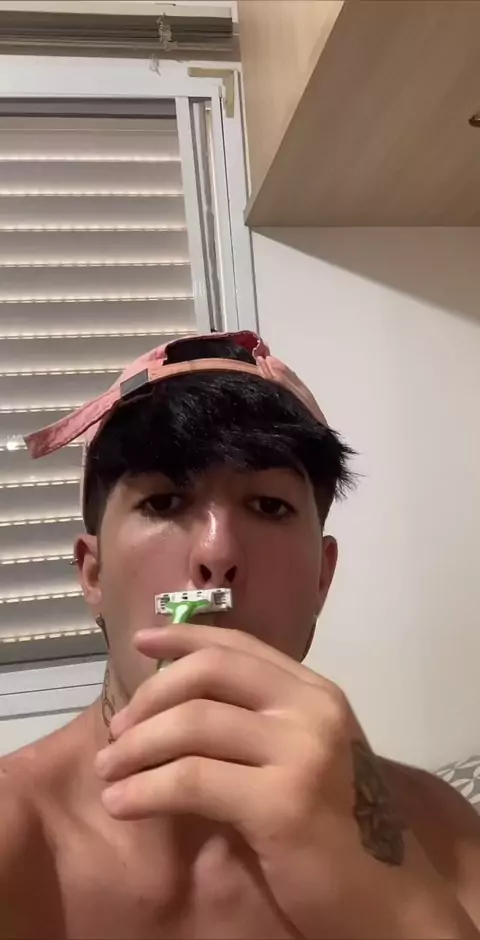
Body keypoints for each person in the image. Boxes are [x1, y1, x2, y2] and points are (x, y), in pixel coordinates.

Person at [1, 330, 479, 940]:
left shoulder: (441, 834)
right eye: (165, 502)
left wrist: (399, 910)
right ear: (94, 574)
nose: (217, 554)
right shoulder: (13, 834)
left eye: (269, 507)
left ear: (322, 578)